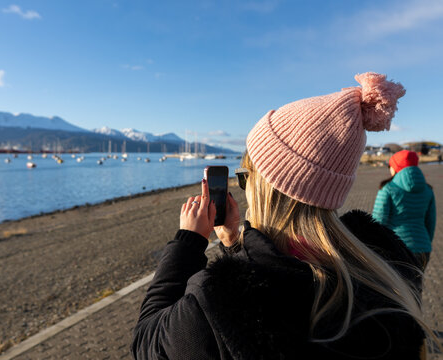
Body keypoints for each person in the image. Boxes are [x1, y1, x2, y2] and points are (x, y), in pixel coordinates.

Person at [132, 73, 434, 359]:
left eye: (245, 177)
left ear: (267, 185)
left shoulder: (217, 303)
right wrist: (234, 248)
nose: (245, 186)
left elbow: (147, 343)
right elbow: (277, 268)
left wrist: (189, 241)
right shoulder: (386, 272)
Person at [373, 150, 436, 271]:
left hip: (396, 249)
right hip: (423, 248)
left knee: (395, 289)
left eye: (390, 166)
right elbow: (430, 223)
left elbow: (378, 222)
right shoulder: (428, 190)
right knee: (415, 289)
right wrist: (425, 242)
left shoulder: (388, 189)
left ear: (396, 168)